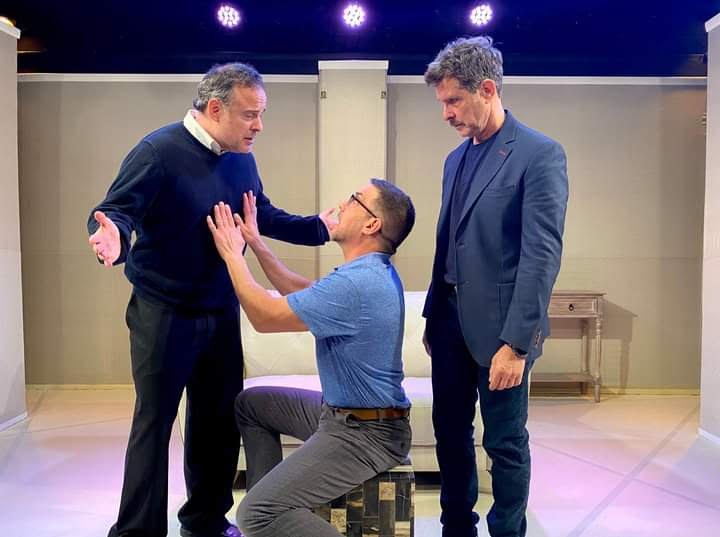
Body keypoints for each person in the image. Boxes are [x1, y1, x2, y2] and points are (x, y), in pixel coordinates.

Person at [87, 62, 334, 537]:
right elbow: (116, 211)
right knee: (155, 423)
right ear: (216, 109)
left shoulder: (241, 157)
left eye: (261, 114)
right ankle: (137, 530)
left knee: (217, 421)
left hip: (220, 310)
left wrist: (319, 228)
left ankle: (204, 521)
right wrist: (113, 236)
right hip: (163, 311)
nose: (259, 126)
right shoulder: (157, 152)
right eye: (250, 115)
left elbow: (260, 214)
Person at [204, 179, 415, 537]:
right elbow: (299, 290)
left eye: (354, 200)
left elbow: (264, 317)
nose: (342, 204)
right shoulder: (365, 272)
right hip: (341, 416)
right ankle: (270, 508)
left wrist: (232, 254)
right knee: (253, 406)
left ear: (371, 224)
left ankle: (266, 516)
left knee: (256, 515)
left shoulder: (358, 283)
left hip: (366, 433)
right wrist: (256, 242)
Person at [421, 36, 569, 537]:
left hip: (503, 331)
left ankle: (508, 531)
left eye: (454, 100)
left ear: (487, 89)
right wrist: (433, 317)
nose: (446, 113)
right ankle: (456, 528)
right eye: (442, 103)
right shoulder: (454, 160)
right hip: (449, 325)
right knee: (450, 436)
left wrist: (517, 343)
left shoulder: (539, 154)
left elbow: (541, 256)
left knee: (504, 442)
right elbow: (449, 241)